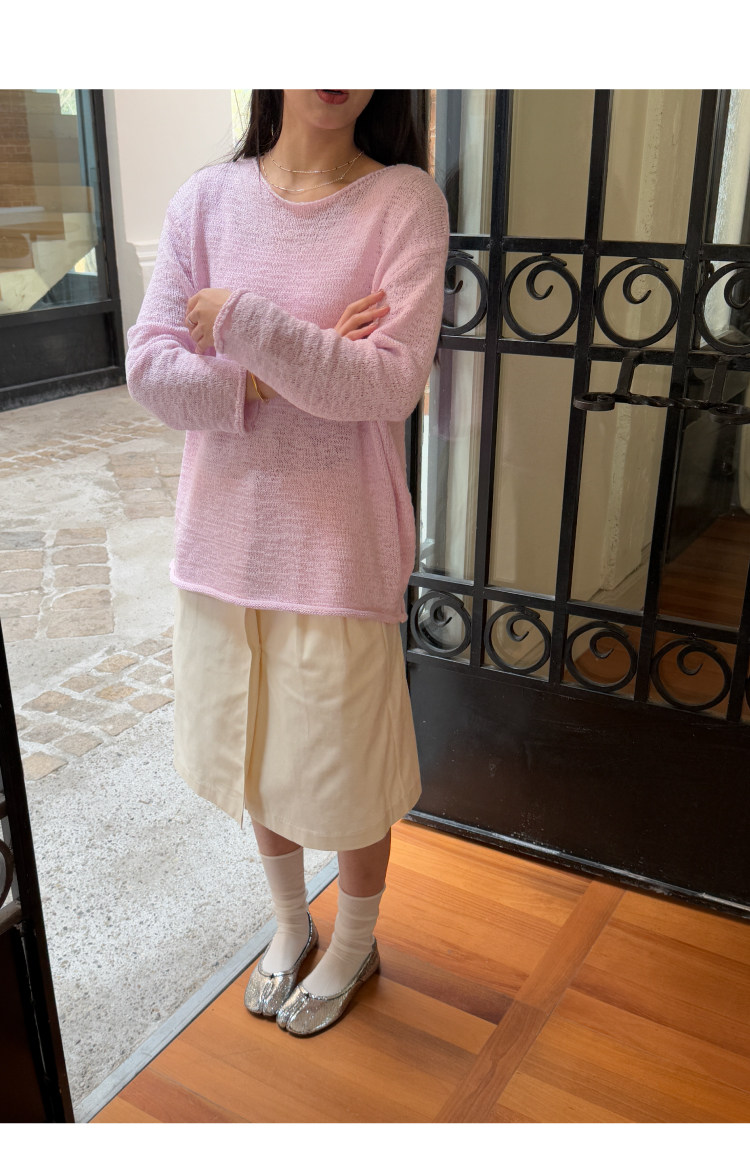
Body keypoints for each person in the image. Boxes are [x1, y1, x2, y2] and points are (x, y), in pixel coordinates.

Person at [125, 89, 449, 1037]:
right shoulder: (205, 202)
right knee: (255, 750)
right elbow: (149, 370)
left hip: (339, 545)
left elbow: (388, 381)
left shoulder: (403, 202)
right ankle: (288, 922)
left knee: (346, 764)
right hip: (224, 540)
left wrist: (242, 320)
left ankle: (355, 941)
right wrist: (279, 375)